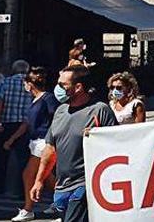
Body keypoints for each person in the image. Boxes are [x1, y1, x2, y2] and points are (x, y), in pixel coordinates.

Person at [30, 65, 118, 222]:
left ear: (78, 87)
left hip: (85, 185)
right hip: (62, 187)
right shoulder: (60, 111)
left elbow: (116, 147)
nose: (58, 88)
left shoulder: (99, 110)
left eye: (63, 85)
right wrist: (39, 180)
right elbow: (50, 150)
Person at [7, 67, 58, 222]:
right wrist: (12, 139)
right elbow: (27, 123)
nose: (24, 86)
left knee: (29, 174)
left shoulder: (47, 98)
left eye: (25, 83)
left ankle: (28, 209)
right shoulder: (35, 100)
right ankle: (64, 203)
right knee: (47, 177)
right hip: (36, 142)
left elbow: (57, 116)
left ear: (30, 84)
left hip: (44, 142)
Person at [0, 59, 32, 197]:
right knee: (23, 159)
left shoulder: (5, 82)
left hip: (6, 123)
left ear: (13, 70)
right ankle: (21, 190)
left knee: (2, 157)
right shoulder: (30, 84)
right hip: (24, 125)